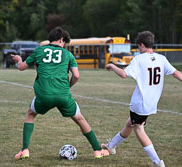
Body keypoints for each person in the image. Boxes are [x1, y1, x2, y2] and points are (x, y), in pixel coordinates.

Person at [11, 27, 110, 160]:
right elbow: (76, 75)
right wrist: (68, 86)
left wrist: (18, 59)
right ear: (61, 40)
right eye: (65, 43)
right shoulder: (68, 54)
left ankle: (24, 150)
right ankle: (98, 150)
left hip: (44, 95)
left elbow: (21, 67)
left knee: (30, 114)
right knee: (80, 119)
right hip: (63, 95)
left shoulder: (39, 50)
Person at [104, 31, 182, 167]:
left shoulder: (139, 59)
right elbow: (177, 74)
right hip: (151, 103)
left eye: (138, 47)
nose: (138, 50)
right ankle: (111, 147)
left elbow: (123, 74)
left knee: (138, 129)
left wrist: (111, 65)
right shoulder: (161, 59)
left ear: (141, 44)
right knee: (130, 124)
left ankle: (157, 162)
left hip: (140, 103)